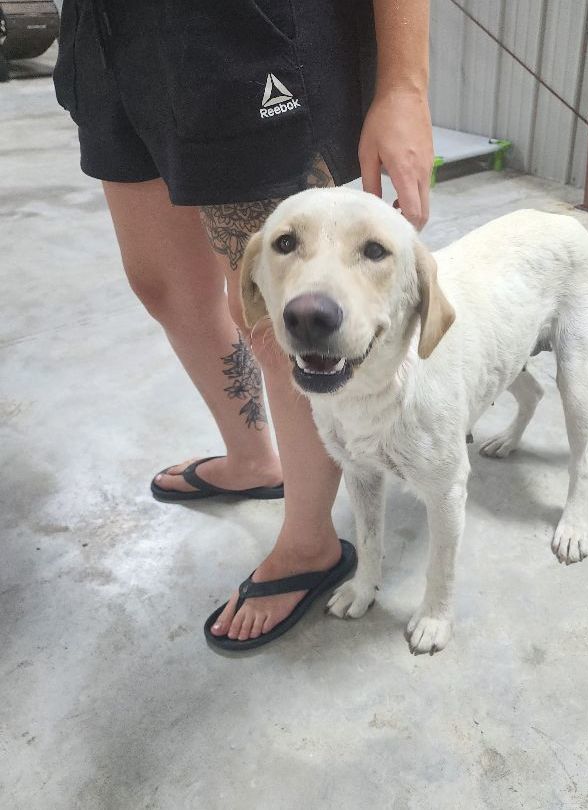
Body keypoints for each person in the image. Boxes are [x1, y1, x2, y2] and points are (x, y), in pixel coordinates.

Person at [53, 0, 433, 649]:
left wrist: (403, 83)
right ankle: (256, 458)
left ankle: (310, 542)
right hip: (111, 28)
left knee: (278, 312)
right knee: (164, 284)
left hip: (243, 32)